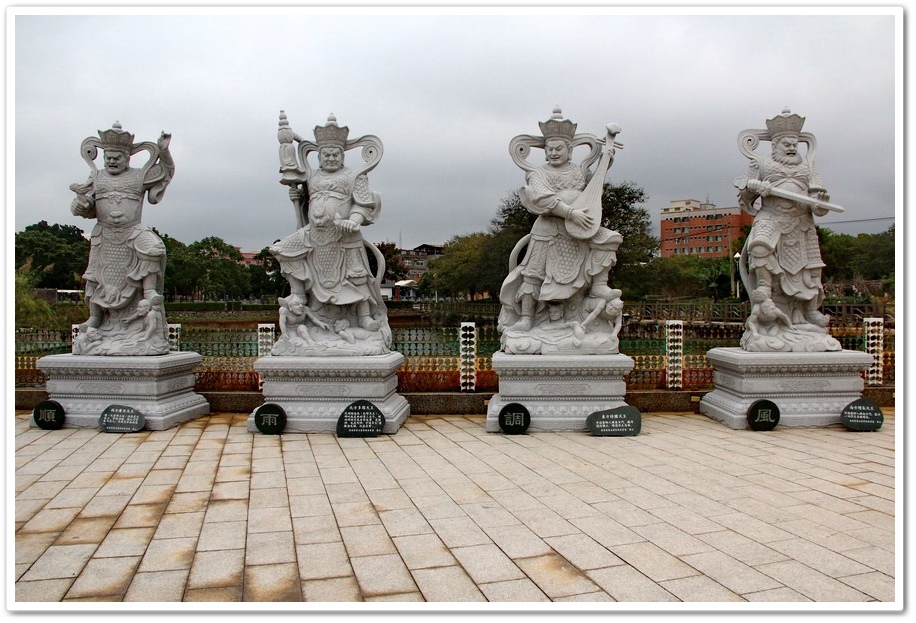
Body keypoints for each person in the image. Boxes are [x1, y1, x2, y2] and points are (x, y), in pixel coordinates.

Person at [499, 108, 623, 334]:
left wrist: (606, 160)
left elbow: (593, 190)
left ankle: (599, 286)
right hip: (548, 228)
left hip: (578, 228)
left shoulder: (579, 171)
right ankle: (526, 318)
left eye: (559, 148)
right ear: (545, 151)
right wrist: (569, 212)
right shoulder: (537, 173)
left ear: (570, 150)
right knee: (533, 274)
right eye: (550, 149)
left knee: (611, 239)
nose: (554, 152)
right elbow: (542, 199)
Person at [270, 114, 385, 334]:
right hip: (314, 233)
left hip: (344, 233)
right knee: (282, 250)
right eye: (326, 154)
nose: (331, 158)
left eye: (335, 154)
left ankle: (364, 317)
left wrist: (353, 220)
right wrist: (297, 195)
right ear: (319, 156)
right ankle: (299, 294)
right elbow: (303, 196)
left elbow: (363, 205)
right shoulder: (312, 176)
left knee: (357, 274)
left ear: (342, 155)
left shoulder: (355, 175)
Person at [70, 122, 173, 355]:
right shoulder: (97, 177)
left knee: (154, 247)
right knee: (95, 277)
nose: (112, 161)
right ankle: (95, 316)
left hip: (132, 231)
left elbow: (165, 172)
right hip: (105, 233)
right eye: (108, 157)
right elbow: (87, 206)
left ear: (127, 157)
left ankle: (149, 291)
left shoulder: (138, 176)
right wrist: (80, 206)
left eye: (116, 157)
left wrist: (164, 151)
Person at [738, 109, 829, 330]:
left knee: (812, 264)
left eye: (794, 144)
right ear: (774, 145)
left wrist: (820, 204)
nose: (791, 148)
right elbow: (745, 196)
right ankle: (764, 293)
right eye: (786, 144)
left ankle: (810, 309)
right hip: (771, 216)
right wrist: (755, 189)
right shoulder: (760, 164)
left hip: (801, 219)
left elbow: (818, 203)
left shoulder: (808, 165)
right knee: (759, 246)